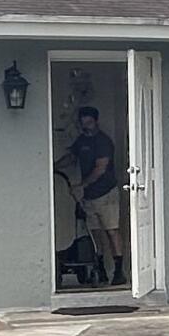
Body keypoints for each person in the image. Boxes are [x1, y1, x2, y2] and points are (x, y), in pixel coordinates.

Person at [63, 103, 124, 287]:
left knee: (111, 231)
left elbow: (101, 168)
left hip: (106, 193)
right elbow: (71, 157)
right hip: (89, 197)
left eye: (89, 122)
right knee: (95, 234)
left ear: (96, 121)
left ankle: (119, 271)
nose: (86, 126)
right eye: (83, 123)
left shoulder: (103, 141)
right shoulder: (82, 141)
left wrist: (82, 185)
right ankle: (101, 270)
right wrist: (53, 166)